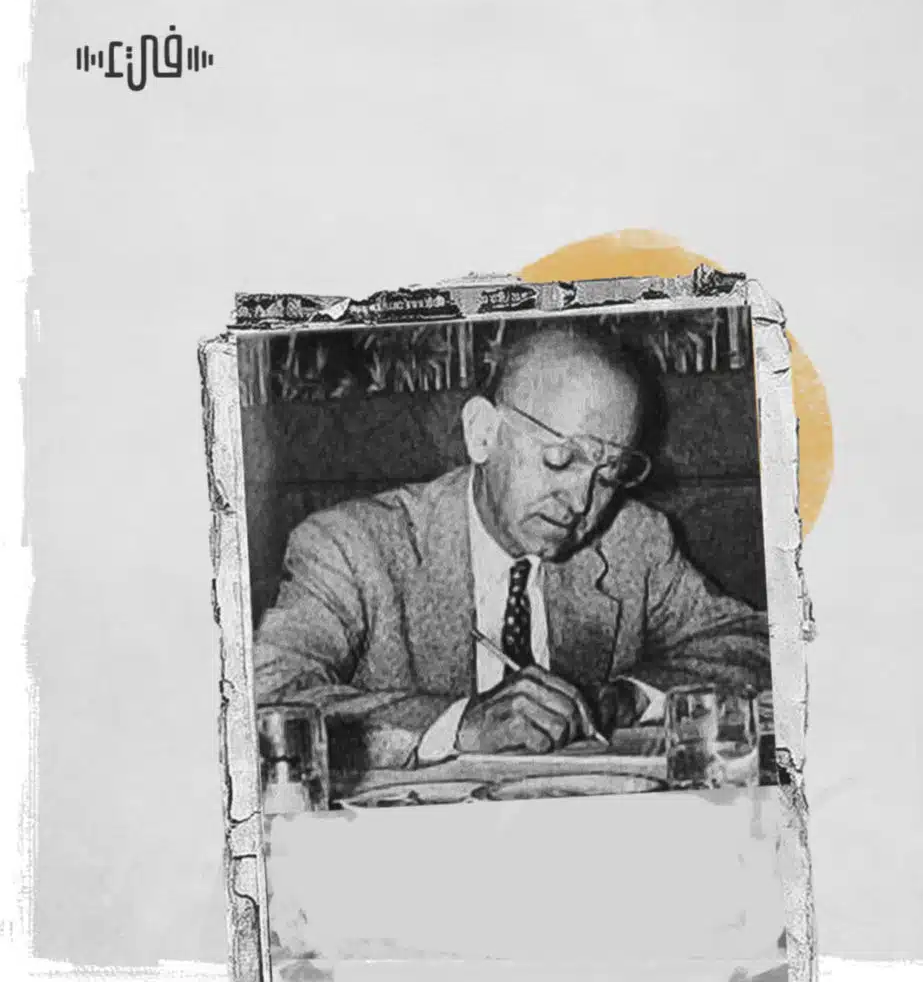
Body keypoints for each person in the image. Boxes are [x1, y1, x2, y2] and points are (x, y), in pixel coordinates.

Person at [253, 323, 770, 770]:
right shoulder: (352, 547)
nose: (581, 501)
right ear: (483, 434)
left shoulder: (634, 540)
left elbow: (752, 641)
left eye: (609, 474)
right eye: (560, 459)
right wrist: (457, 725)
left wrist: (630, 697)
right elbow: (269, 697)